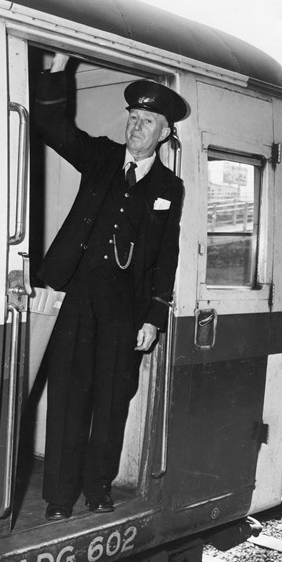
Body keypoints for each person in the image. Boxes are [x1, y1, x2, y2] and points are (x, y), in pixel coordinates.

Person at [33, 52, 189, 520]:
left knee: (111, 403)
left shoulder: (169, 187)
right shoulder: (99, 157)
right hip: (77, 301)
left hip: (127, 310)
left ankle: (98, 488)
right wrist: (58, 69)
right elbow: (49, 125)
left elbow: (167, 255)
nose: (136, 127)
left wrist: (154, 316)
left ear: (165, 132)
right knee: (68, 399)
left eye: (147, 121)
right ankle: (59, 499)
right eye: (133, 118)